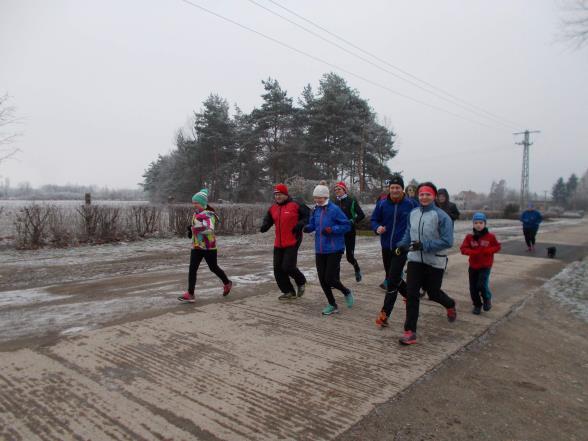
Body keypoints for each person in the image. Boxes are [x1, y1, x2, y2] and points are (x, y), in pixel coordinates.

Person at [396, 182, 457, 345]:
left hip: (435, 260)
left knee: (433, 293)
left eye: (428, 194)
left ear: (434, 196)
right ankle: (410, 331)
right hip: (415, 259)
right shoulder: (413, 213)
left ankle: (450, 304)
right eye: (421, 194)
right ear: (418, 196)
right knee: (412, 294)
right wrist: (402, 245)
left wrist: (425, 246)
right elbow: (408, 233)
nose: (424, 197)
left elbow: (448, 241)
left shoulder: (442, 216)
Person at [370, 174, 418, 327]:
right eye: (392, 188)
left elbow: (418, 222)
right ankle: (411, 298)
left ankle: (385, 314)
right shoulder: (383, 204)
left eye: (397, 187)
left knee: (391, 281)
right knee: (393, 278)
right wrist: (377, 228)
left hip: (401, 248)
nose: (395, 190)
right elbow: (374, 219)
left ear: (402, 189)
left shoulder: (411, 204)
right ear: (389, 189)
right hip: (386, 247)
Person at [304, 183, 354, 315]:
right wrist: (306, 228)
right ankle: (332, 305)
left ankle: (346, 291)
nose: (317, 200)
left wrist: (332, 229)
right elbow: (313, 225)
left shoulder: (334, 209)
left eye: (320, 197)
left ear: (326, 196)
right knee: (322, 279)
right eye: (315, 198)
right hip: (320, 249)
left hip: (334, 248)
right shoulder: (316, 209)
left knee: (330, 278)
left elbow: (346, 226)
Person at [178, 189, 232, 303]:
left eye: (196, 203)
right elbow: (197, 225)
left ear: (203, 203)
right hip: (197, 246)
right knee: (192, 269)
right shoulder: (196, 213)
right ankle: (190, 294)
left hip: (209, 247)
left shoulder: (209, 214)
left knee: (213, 268)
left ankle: (227, 283)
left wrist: (194, 229)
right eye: (193, 203)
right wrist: (191, 230)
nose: (194, 205)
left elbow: (209, 230)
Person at [260, 184, 309, 300]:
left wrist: (300, 224)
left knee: (287, 266)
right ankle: (288, 291)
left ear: (286, 194)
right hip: (279, 242)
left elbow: (308, 215)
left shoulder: (296, 205)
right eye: (276, 195)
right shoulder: (273, 208)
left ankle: (301, 281)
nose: (278, 197)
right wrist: (265, 225)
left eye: (280, 194)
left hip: (293, 239)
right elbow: (268, 219)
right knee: (277, 268)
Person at [460, 212, 501, 314]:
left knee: (481, 285)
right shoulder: (469, 237)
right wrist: (471, 252)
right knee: (473, 288)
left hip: (485, 266)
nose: (478, 225)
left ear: (485, 224)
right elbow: (463, 248)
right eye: (476, 223)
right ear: (473, 224)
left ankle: (487, 298)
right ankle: (477, 305)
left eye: (481, 222)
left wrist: (489, 250)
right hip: (473, 266)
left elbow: (497, 246)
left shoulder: (490, 237)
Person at [332, 181, 365, 282]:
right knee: (336, 257)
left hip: (349, 233)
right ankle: (336, 280)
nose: (337, 191)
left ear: (344, 190)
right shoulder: (334, 203)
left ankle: (357, 269)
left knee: (349, 257)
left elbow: (361, 215)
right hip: (338, 233)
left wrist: (352, 221)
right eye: (335, 189)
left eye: (339, 189)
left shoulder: (351, 201)